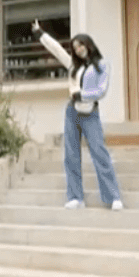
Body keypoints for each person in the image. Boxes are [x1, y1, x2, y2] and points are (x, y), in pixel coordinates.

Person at [32, 21, 123, 211]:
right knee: (71, 155)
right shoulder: (73, 66)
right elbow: (57, 50)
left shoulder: (102, 65)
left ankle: (113, 196)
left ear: (88, 45)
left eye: (81, 45)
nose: (78, 49)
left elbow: (102, 90)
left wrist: (83, 95)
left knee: (99, 152)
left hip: (90, 112)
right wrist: (41, 34)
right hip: (72, 112)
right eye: (75, 47)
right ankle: (75, 197)